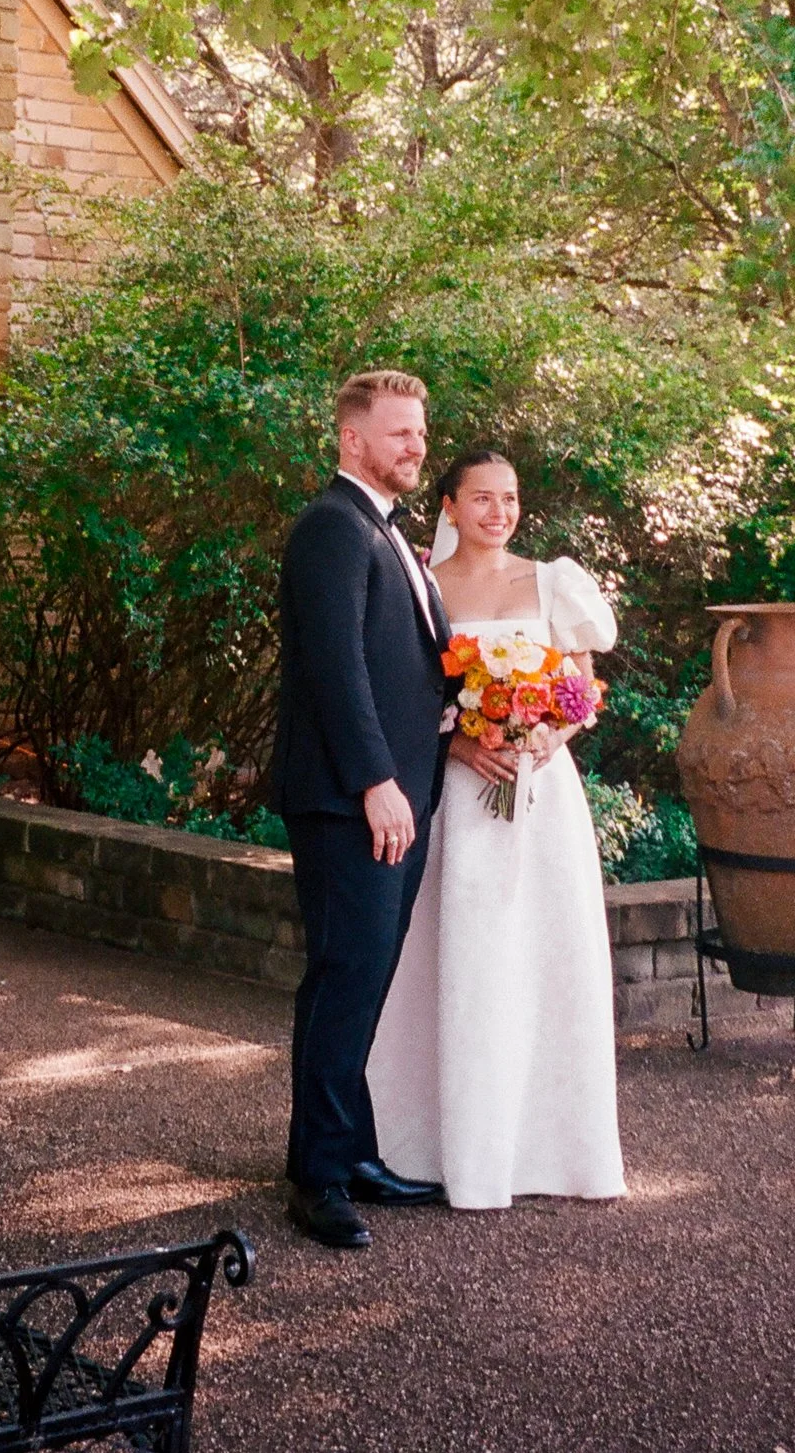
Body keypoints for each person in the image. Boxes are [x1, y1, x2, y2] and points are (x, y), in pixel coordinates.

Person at [366, 445, 626, 1209]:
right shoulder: (426, 585)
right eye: (481, 498)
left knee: (544, 959)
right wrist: (462, 740)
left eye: (509, 498)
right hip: (459, 795)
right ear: (449, 505)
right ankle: (440, 1147)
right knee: (460, 959)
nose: (499, 513)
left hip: (541, 799)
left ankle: (550, 1148)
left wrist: (546, 736)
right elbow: (408, 696)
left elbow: (581, 690)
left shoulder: (550, 581)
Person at [272, 370, 455, 1250]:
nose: (416, 445)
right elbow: (336, 668)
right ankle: (318, 1179)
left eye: (420, 432)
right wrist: (377, 781)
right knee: (345, 978)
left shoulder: (386, 533)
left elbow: (410, 666)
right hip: (354, 802)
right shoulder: (330, 529)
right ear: (353, 439)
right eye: (398, 433)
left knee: (364, 977)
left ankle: (351, 1149)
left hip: (398, 794)